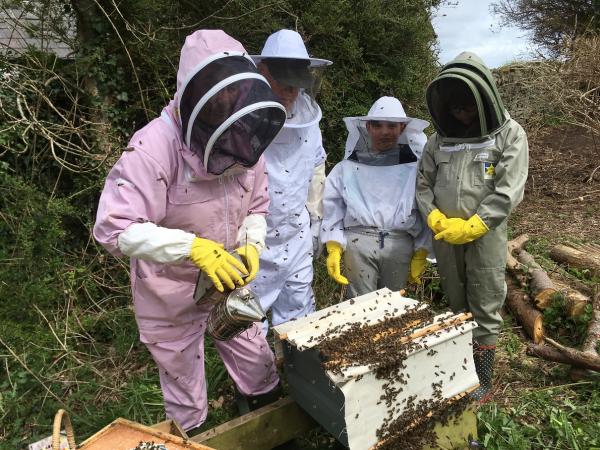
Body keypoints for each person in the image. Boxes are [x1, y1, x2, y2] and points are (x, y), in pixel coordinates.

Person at [93, 30, 288, 433]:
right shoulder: (152, 147)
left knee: (257, 361)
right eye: (217, 98)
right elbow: (114, 229)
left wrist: (252, 243)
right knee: (184, 390)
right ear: (192, 91)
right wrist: (192, 248)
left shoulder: (244, 131)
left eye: (232, 97)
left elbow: (256, 204)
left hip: (228, 282)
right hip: (169, 292)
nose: (225, 106)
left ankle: (270, 430)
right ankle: (194, 437)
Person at [416, 52, 529, 402]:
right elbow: (423, 183)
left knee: (484, 302)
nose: (461, 115)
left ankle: (483, 378)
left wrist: (475, 225)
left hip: (485, 237)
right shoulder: (438, 140)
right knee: (455, 300)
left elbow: (508, 189)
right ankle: (459, 364)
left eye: (467, 108)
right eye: (455, 109)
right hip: (445, 237)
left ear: (483, 101)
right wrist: (433, 216)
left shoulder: (510, 135)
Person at [248, 29, 332, 328]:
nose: (290, 93)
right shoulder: (241, 118)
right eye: (283, 84)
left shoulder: (310, 120)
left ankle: (296, 372)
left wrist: (315, 219)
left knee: (299, 316)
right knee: (248, 321)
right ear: (262, 71)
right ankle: (259, 374)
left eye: (296, 86)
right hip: (252, 240)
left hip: (296, 235)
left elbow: (316, 170)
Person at [320, 96, 431, 298]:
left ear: (402, 128)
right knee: (360, 308)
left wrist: (422, 249)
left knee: (393, 305)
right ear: (368, 127)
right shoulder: (346, 168)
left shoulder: (416, 169)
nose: (385, 131)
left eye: (391, 125)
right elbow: (332, 205)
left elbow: (425, 209)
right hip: (358, 242)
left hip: (400, 242)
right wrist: (334, 244)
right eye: (377, 125)